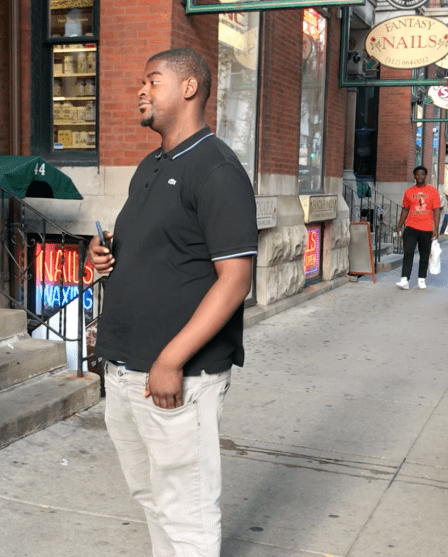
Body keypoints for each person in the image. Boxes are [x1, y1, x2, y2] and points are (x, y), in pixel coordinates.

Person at [88, 48, 257, 557]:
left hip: (175, 375)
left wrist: (171, 359)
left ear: (189, 88)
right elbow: (156, 245)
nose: (141, 90)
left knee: (186, 509)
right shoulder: (152, 164)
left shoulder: (217, 170)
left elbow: (235, 280)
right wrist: (102, 254)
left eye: (152, 80)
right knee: (151, 497)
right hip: (124, 368)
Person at [395, 166, 441, 290]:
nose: (419, 177)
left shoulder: (433, 191)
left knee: (424, 255)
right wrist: (399, 225)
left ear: (425, 175)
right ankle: (404, 279)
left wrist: (436, 229)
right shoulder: (409, 191)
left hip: (426, 229)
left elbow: (436, 210)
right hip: (411, 227)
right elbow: (405, 209)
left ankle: (421, 279)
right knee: (408, 253)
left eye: (422, 175)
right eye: (417, 175)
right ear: (414, 176)